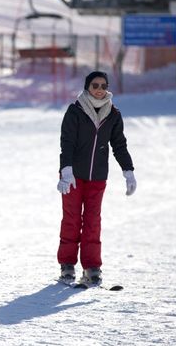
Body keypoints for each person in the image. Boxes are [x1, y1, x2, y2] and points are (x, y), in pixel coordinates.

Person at [56, 70, 136, 285]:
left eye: (103, 86)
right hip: (73, 176)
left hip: (98, 177)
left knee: (93, 222)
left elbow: (119, 145)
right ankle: (67, 265)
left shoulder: (113, 114)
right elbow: (67, 143)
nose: (99, 90)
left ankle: (92, 267)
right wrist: (66, 170)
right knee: (72, 220)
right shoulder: (75, 111)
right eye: (95, 86)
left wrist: (128, 170)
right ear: (87, 87)